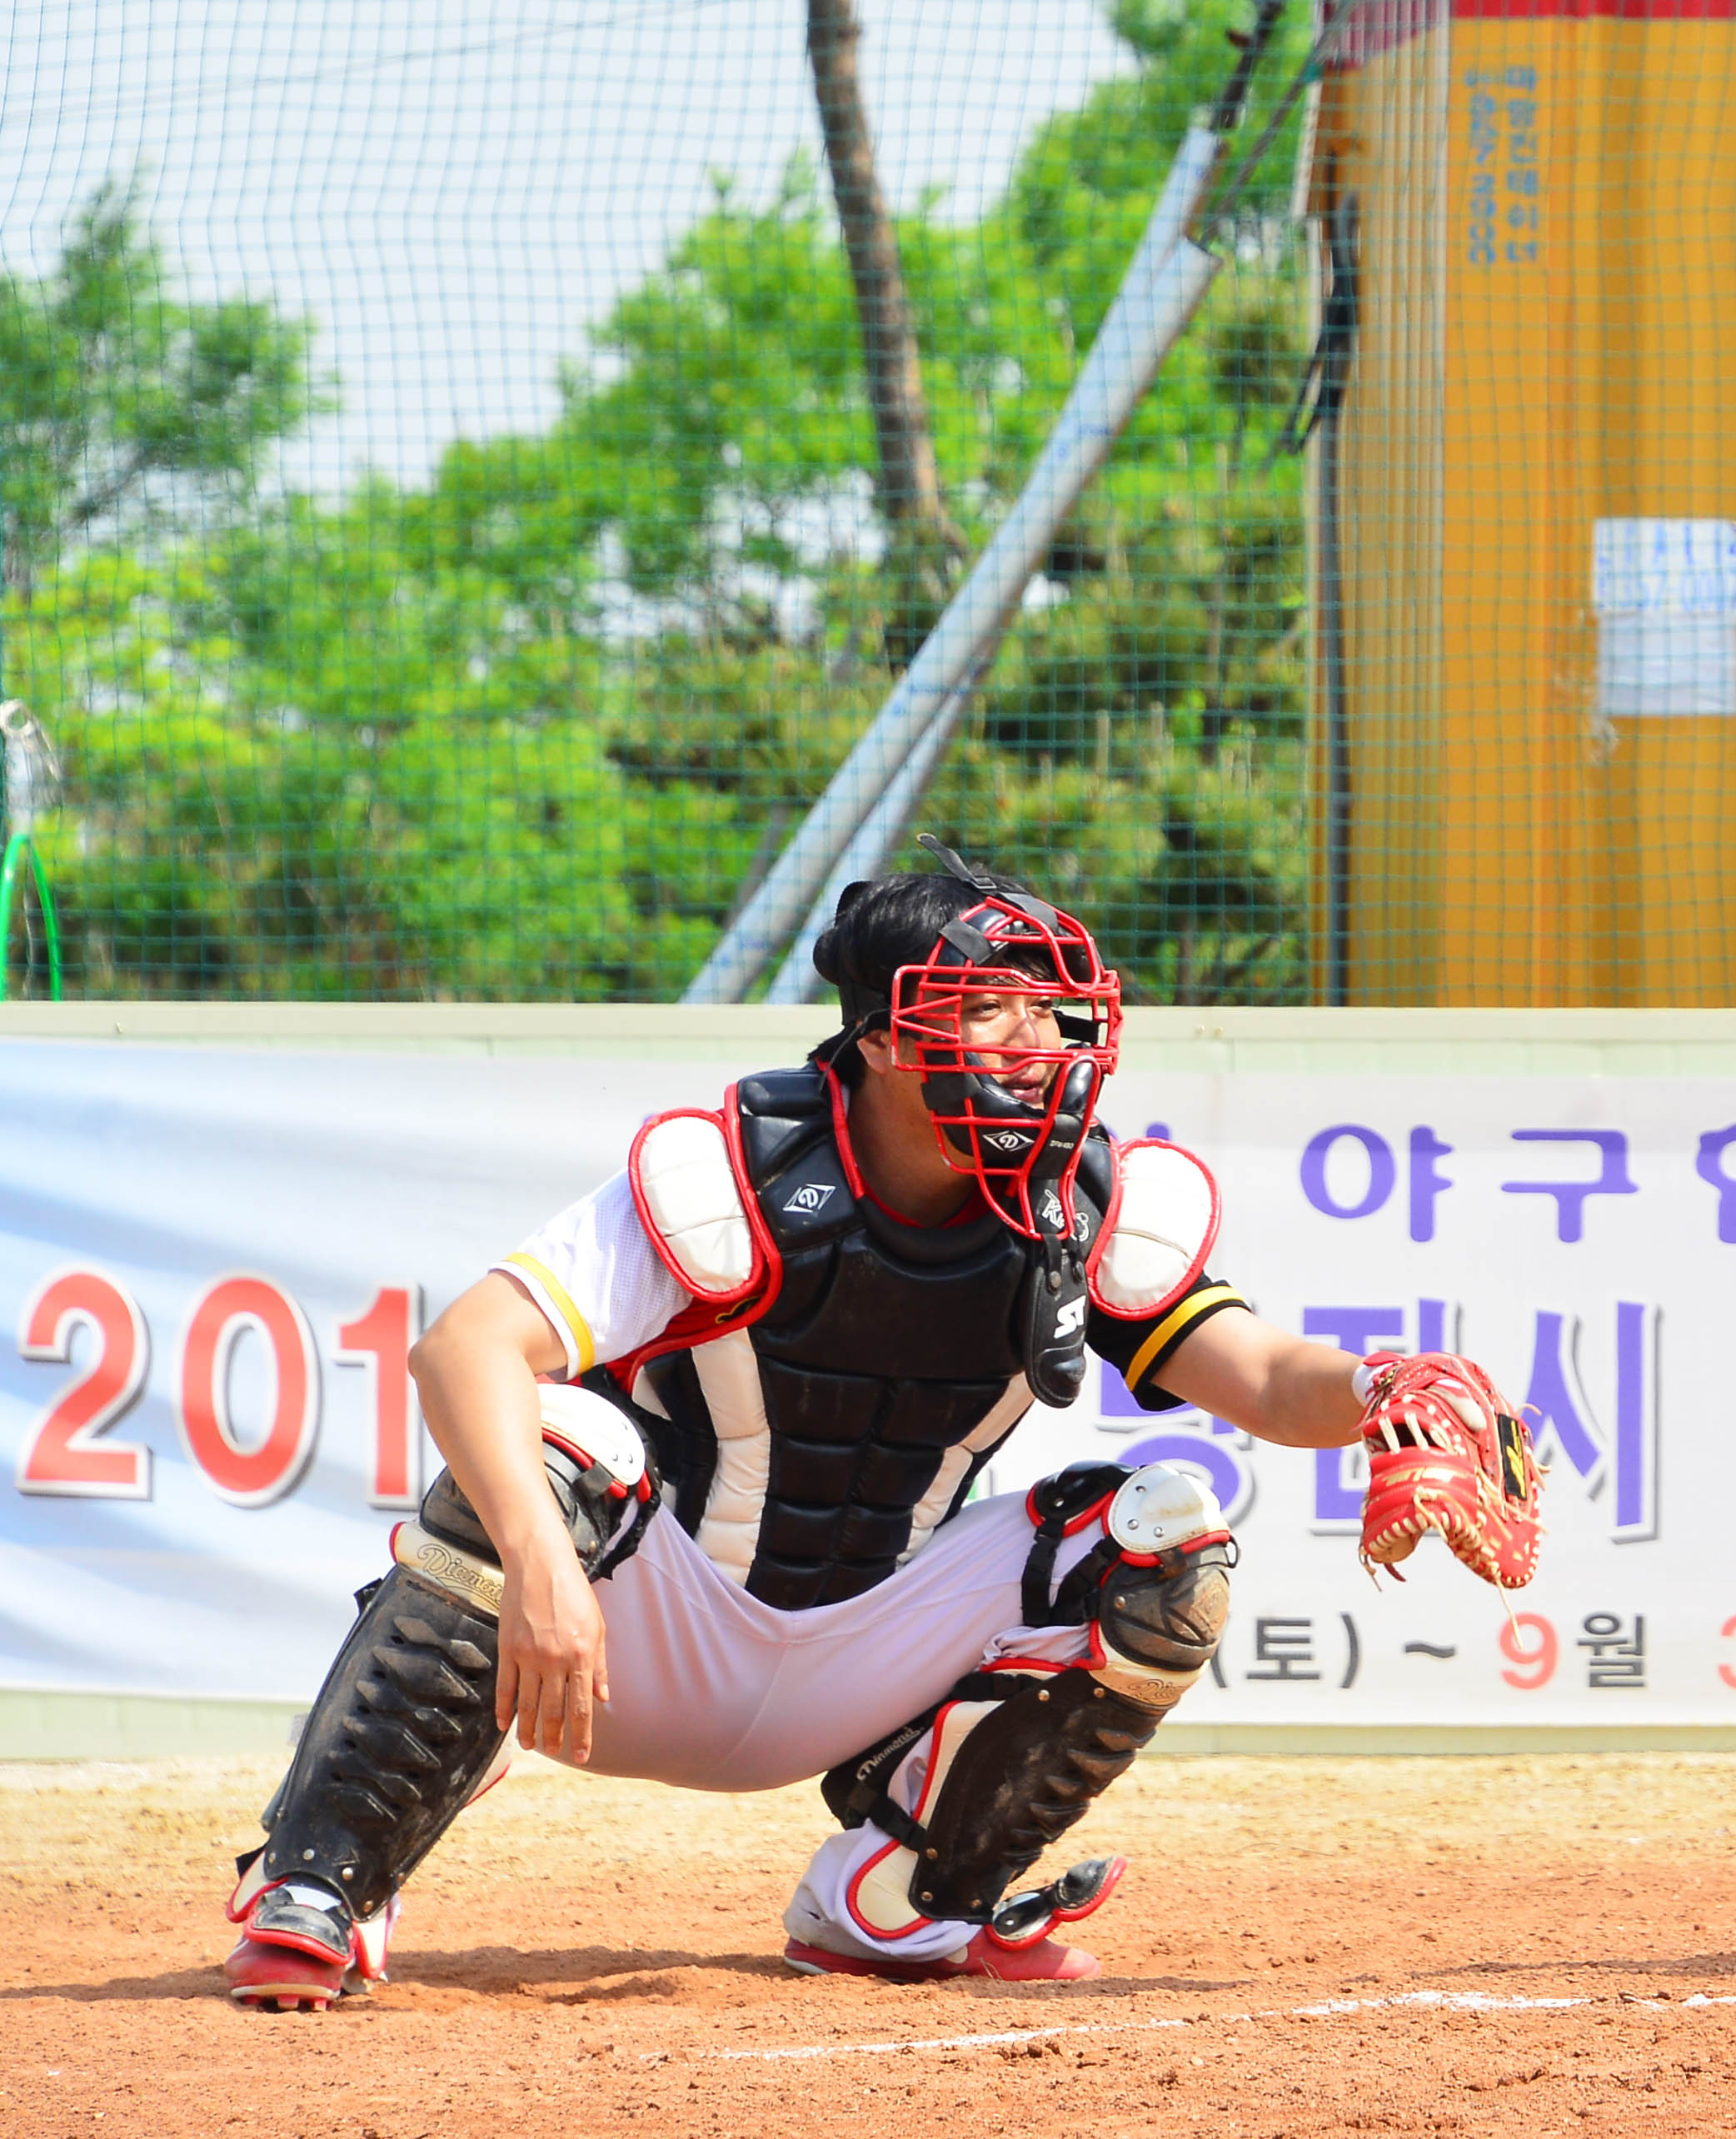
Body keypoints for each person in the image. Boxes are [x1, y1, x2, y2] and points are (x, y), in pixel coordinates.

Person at [218, 857, 1503, 2007]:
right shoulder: (741, 1170)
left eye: (1051, 1010)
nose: (1036, 1042)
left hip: (859, 1660)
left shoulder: (1081, 1200)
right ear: (891, 1037)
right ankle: (324, 1877)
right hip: (616, 1654)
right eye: (990, 1009)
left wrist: (1385, 1381)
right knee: (556, 1437)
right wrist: (544, 1576)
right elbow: (465, 1349)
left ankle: (903, 1899)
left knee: (1171, 1531)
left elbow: (1272, 1380)